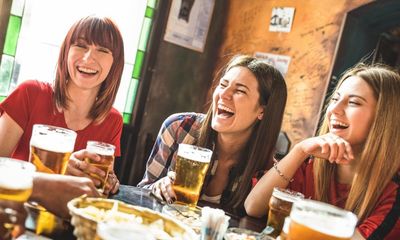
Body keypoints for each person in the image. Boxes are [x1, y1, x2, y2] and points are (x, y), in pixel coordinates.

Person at [245, 64, 400, 239]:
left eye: (354, 102)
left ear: (384, 119)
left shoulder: (393, 193)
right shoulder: (309, 161)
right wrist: (299, 150)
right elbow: (253, 207)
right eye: (335, 99)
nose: (334, 110)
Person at [138, 55, 287, 213]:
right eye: (223, 85)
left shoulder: (268, 171)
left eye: (240, 91)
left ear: (262, 110)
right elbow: (140, 193)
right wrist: (156, 187)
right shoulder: (179, 128)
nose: (224, 94)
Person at [0, 15, 125, 194]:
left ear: (115, 63)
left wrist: (108, 182)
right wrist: (56, 172)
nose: (89, 58)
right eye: (81, 46)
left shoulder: (113, 120)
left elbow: (96, 186)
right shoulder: (30, 93)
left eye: (103, 50)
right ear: (66, 51)